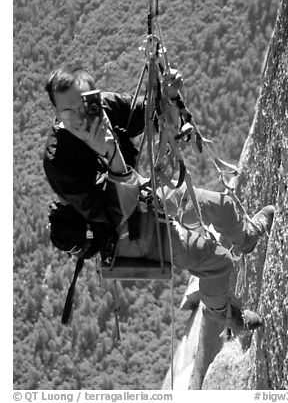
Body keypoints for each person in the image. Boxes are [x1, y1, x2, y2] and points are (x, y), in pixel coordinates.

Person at [43, 64, 274, 334]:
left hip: (140, 196)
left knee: (221, 205)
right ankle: (224, 315)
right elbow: (115, 212)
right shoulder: (59, 160)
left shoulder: (103, 109)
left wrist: (167, 93)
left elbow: (147, 111)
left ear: (94, 95)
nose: (82, 116)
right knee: (218, 261)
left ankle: (244, 240)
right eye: (69, 111)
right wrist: (110, 152)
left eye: (87, 103)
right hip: (122, 234)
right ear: (57, 114)